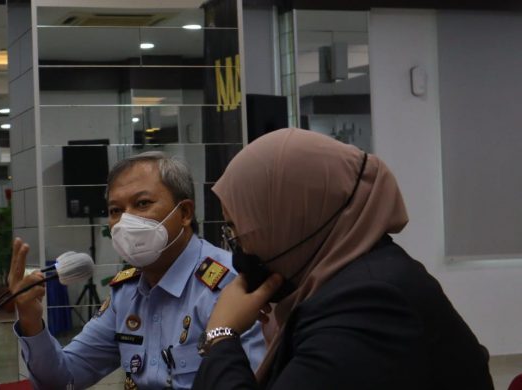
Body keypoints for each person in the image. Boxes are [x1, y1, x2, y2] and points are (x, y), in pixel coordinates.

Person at [192, 128, 494, 390]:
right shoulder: (350, 278)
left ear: (293, 221)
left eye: (239, 229)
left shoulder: (369, 303)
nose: (238, 247)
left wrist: (221, 334)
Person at [9, 151, 266, 389]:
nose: (125, 221)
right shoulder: (127, 293)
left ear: (185, 212)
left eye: (142, 204)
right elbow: (65, 378)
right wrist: (31, 319)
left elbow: (254, 380)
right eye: (115, 210)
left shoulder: (229, 283)